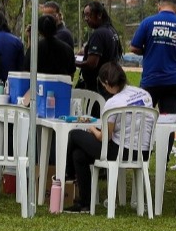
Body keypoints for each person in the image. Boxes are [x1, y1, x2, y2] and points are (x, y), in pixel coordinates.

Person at [62, 61, 154, 212]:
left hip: (119, 151)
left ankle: (68, 175)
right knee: (78, 155)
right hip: (143, 151)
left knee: (74, 134)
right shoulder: (144, 94)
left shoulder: (113, 103)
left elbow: (104, 137)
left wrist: (90, 127)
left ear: (106, 83)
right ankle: (85, 203)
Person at [130, 0, 176, 113]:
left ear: (159, 7)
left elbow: (134, 48)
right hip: (175, 81)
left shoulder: (148, 22)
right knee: (168, 121)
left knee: (144, 119)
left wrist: (148, 51)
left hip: (151, 79)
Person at [78, 1, 122, 92]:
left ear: (99, 15)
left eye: (88, 15)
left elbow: (92, 64)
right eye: (84, 16)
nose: (86, 19)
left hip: (98, 86)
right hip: (109, 81)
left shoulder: (98, 34)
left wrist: (73, 62)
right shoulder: (111, 30)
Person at [35, 14, 77, 79]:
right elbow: (71, 73)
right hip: (61, 85)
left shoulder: (35, 49)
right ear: (55, 27)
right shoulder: (67, 49)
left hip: (40, 85)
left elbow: (27, 71)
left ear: (39, 30)